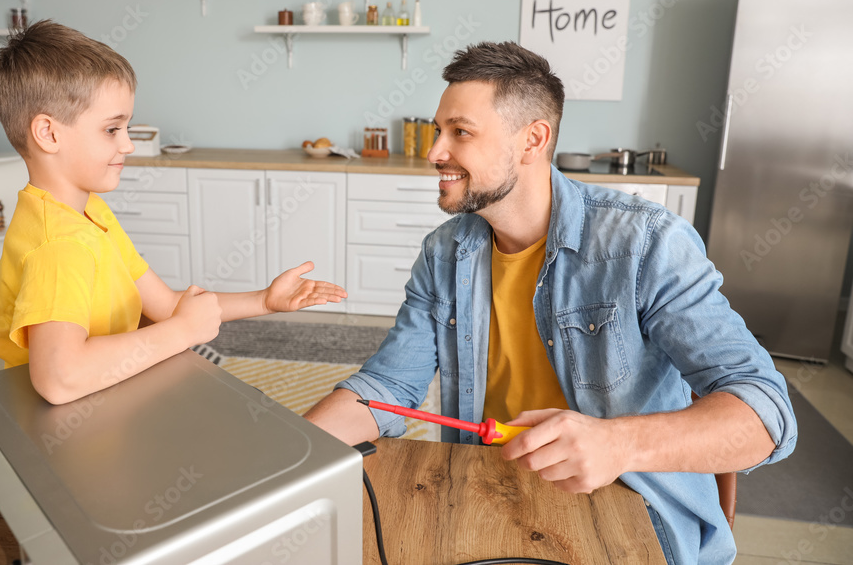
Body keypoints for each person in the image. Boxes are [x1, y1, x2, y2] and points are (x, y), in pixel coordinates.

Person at [305, 41, 796, 564]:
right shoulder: (444, 252)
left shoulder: (646, 242)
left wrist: (617, 445)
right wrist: (288, 452)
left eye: (460, 133)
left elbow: (765, 415)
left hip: (631, 511)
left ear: (532, 140)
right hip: (486, 488)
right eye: (437, 130)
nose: (434, 152)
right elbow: (387, 388)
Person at [0, 20, 346, 405]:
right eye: (111, 130)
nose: (128, 145)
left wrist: (264, 300)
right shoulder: (59, 245)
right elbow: (60, 379)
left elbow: (166, 305)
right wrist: (182, 332)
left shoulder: (90, 211)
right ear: (49, 134)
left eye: (127, 127)